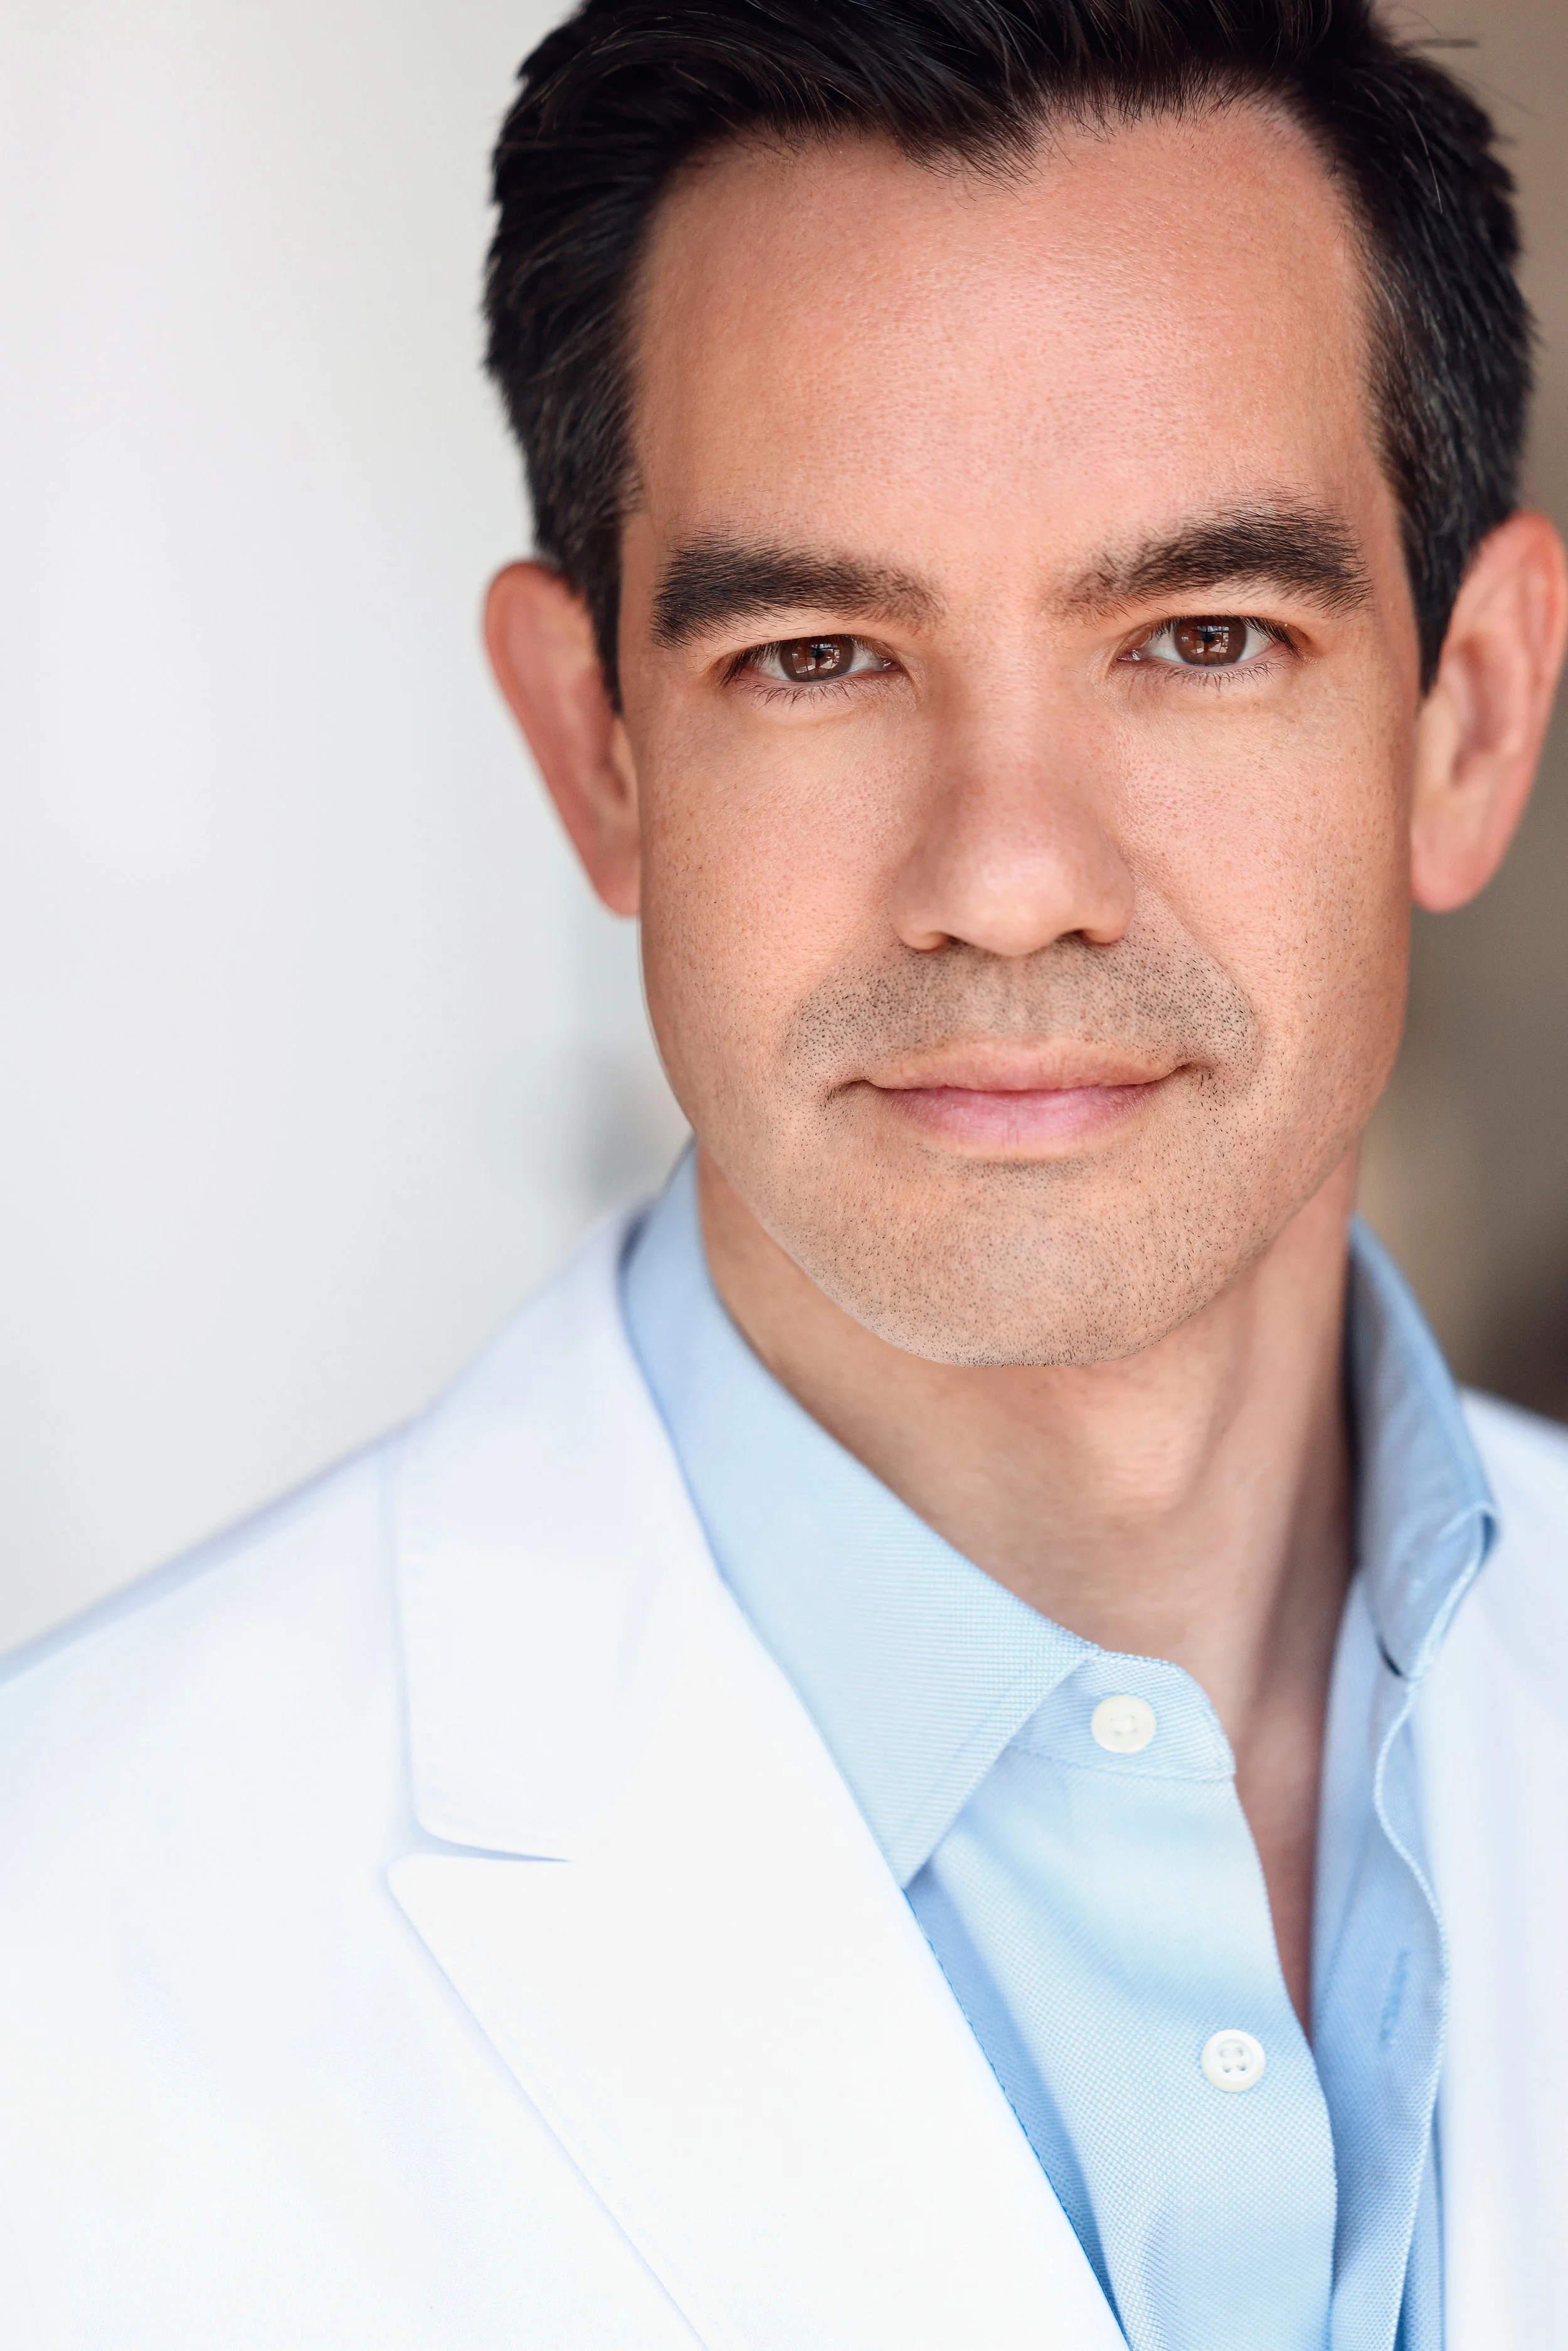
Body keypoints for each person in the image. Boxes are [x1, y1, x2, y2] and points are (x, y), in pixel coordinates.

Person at [2, 1, 1565, 2344]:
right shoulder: (61, 1962)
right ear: (595, 753)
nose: (1011, 877)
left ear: (1464, 719)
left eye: (1202, 635)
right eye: (819, 655)